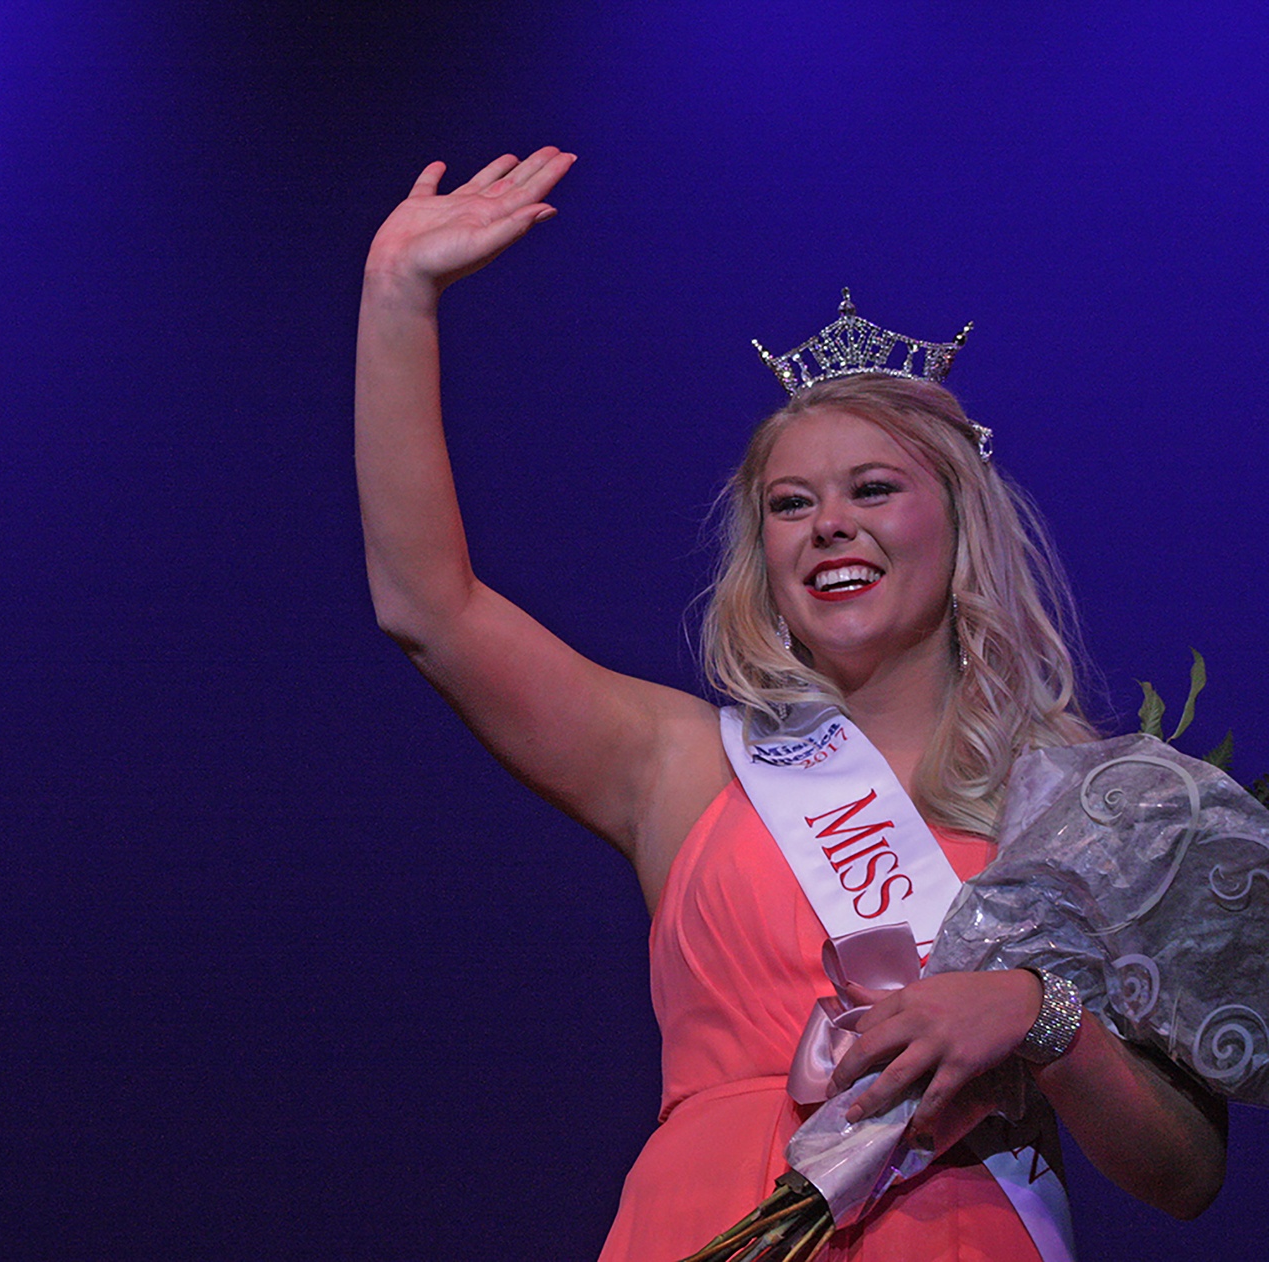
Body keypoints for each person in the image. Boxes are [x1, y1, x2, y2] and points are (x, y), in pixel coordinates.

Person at [354, 148, 1228, 1258]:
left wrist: (1037, 1016)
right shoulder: (679, 764)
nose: (827, 524)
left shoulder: (1088, 805)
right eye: (788, 503)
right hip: (707, 1223)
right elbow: (428, 606)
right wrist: (395, 293)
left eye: (871, 489)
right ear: (760, 553)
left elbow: (1185, 1172)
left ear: (958, 526)